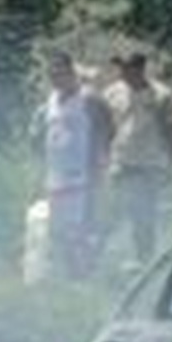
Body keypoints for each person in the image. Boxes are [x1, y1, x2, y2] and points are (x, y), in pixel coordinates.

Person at [35, 51, 110, 280]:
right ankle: (66, 271)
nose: (56, 79)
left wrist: (98, 163)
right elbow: (44, 136)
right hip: (55, 175)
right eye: (52, 75)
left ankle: (84, 273)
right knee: (58, 228)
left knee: (80, 227)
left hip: (81, 175)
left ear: (71, 72)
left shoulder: (89, 99)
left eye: (60, 73)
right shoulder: (51, 101)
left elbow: (107, 130)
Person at [102, 52, 172, 266]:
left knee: (144, 214)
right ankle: (111, 257)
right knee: (114, 209)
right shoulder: (112, 93)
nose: (124, 73)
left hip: (148, 164)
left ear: (140, 69)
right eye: (121, 68)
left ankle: (144, 259)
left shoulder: (162, 96)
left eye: (128, 68)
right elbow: (104, 128)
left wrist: (170, 165)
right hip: (120, 161)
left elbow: (171, 132)